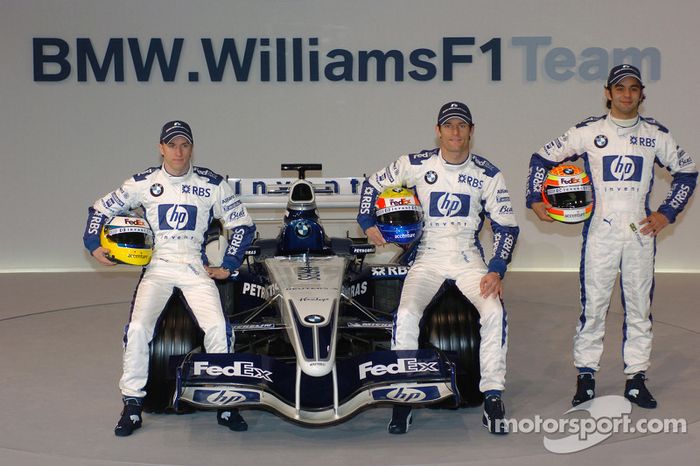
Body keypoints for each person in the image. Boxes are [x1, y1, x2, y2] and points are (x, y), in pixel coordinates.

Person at [526, 64, 697, 408]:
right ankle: (586, 376)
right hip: (600, 231)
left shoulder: (656, 134)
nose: (626, 94)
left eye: (633, 89)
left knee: (639, 307)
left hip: (639, 231)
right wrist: (535, 198)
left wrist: (666, 213)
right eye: (620, 89)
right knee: (594, 307)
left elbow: (688, 171)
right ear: (608, 93)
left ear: (641, 94)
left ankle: (636, 378)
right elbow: (542, 157)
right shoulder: (588, 131)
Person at [83, 120, 256, 436]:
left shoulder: (212, 184)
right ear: (161, 148)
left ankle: (226, 402)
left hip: (194, 267)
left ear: (192, 148)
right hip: (158, 267)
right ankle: (132, 405)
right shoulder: (142, 183)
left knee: (218, 328)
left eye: (184, 145)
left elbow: (243, 225)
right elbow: (99, 210)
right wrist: (94, 245)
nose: (179, 151)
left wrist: (229, 263)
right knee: (137, 329)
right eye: (172, 144)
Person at [357, 101, 519, 434]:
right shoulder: (415, 164)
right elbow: (372, 185)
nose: (455, 132)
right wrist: (366, 220)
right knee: (405, 315)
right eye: (449, 126)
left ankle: (492, 395)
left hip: (468, 260)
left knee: (494, 312)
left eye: (462, 126)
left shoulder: (488, 173)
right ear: (438, 131)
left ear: (471, 131)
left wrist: (497, 269)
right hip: (426, 257)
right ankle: (403, 397)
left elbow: (507, 227)